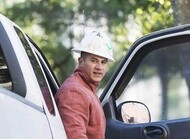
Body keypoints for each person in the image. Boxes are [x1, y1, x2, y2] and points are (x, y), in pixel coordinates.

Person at [55, 30, 115, 139]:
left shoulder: (86, 88)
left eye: (103, 62)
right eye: (94, 60)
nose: (99, 67)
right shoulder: (74, 92)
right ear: (81, 61)